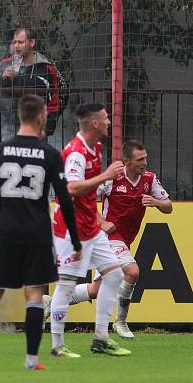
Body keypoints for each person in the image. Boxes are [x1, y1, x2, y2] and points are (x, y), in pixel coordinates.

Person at [0, 94, 81, 371]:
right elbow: (64, 198)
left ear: (21, 116)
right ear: (39, 117)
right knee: (34, 294)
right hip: (37, 234)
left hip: (7, 234)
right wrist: (74, 237)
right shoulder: (49, 154)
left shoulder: (0, 151)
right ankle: (32, 360)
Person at [43, 140, 172, 339]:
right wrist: (101, 221)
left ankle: (51, 302)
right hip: (108, 237)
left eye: (145, 158)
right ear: (127, 161)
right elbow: (83, 200)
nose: (145, 163)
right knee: (132, 271)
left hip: (126, 238)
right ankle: (120, 323)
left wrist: (156, 202)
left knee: (96, 290)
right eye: (140, 159)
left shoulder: (149, 179)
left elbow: (168, 206)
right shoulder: (113, 180)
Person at [47, 102, 131, 358]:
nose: (109, 122)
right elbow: (71, 188)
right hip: (70, 229)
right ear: (94, 123)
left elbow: (85, 193)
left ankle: (101, 338)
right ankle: (57, 345)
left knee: (115, 276)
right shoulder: (76, 152)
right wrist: (105, 176)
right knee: (66, 285)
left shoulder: (95, 147)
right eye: (105, 119)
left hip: (91, 228)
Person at [0, 27, 68, 138]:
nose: (16, 46)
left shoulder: (46, 68)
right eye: (15, 42)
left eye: (20, 42)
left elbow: (54, 99)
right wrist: (3, 78)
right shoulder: (4, 64)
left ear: (32, 42)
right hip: (5, 129)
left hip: (36, 131)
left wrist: (46, 129)